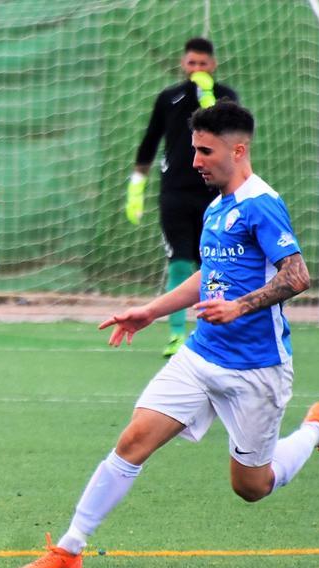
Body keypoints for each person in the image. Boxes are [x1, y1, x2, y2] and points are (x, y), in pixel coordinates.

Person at [15, 101, 319, 568]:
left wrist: (240, 306)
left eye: (204, 151)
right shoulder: (216, 208)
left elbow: (297, 275)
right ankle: (69, 549)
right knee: (133, 440)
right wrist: (150, 311)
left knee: (252, 487)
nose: (194, 161)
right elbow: (208, 276)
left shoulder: (260, 204)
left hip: (256, 368)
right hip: (200, 356)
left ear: (237, 151)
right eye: (193, 150)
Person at [127, 37, 239, 358]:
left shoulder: (226, 97)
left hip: (214, 193)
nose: (197, 69)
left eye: (203, 64)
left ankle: (213, 333)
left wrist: (207, 98)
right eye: (192, 63)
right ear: (183, 64)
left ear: (213, 65)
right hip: (174, 192)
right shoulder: (169, 98)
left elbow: (230, 133)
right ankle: (176, 335)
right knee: (179, 258)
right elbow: (150, 141)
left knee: (214, 262)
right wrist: (136, 185)